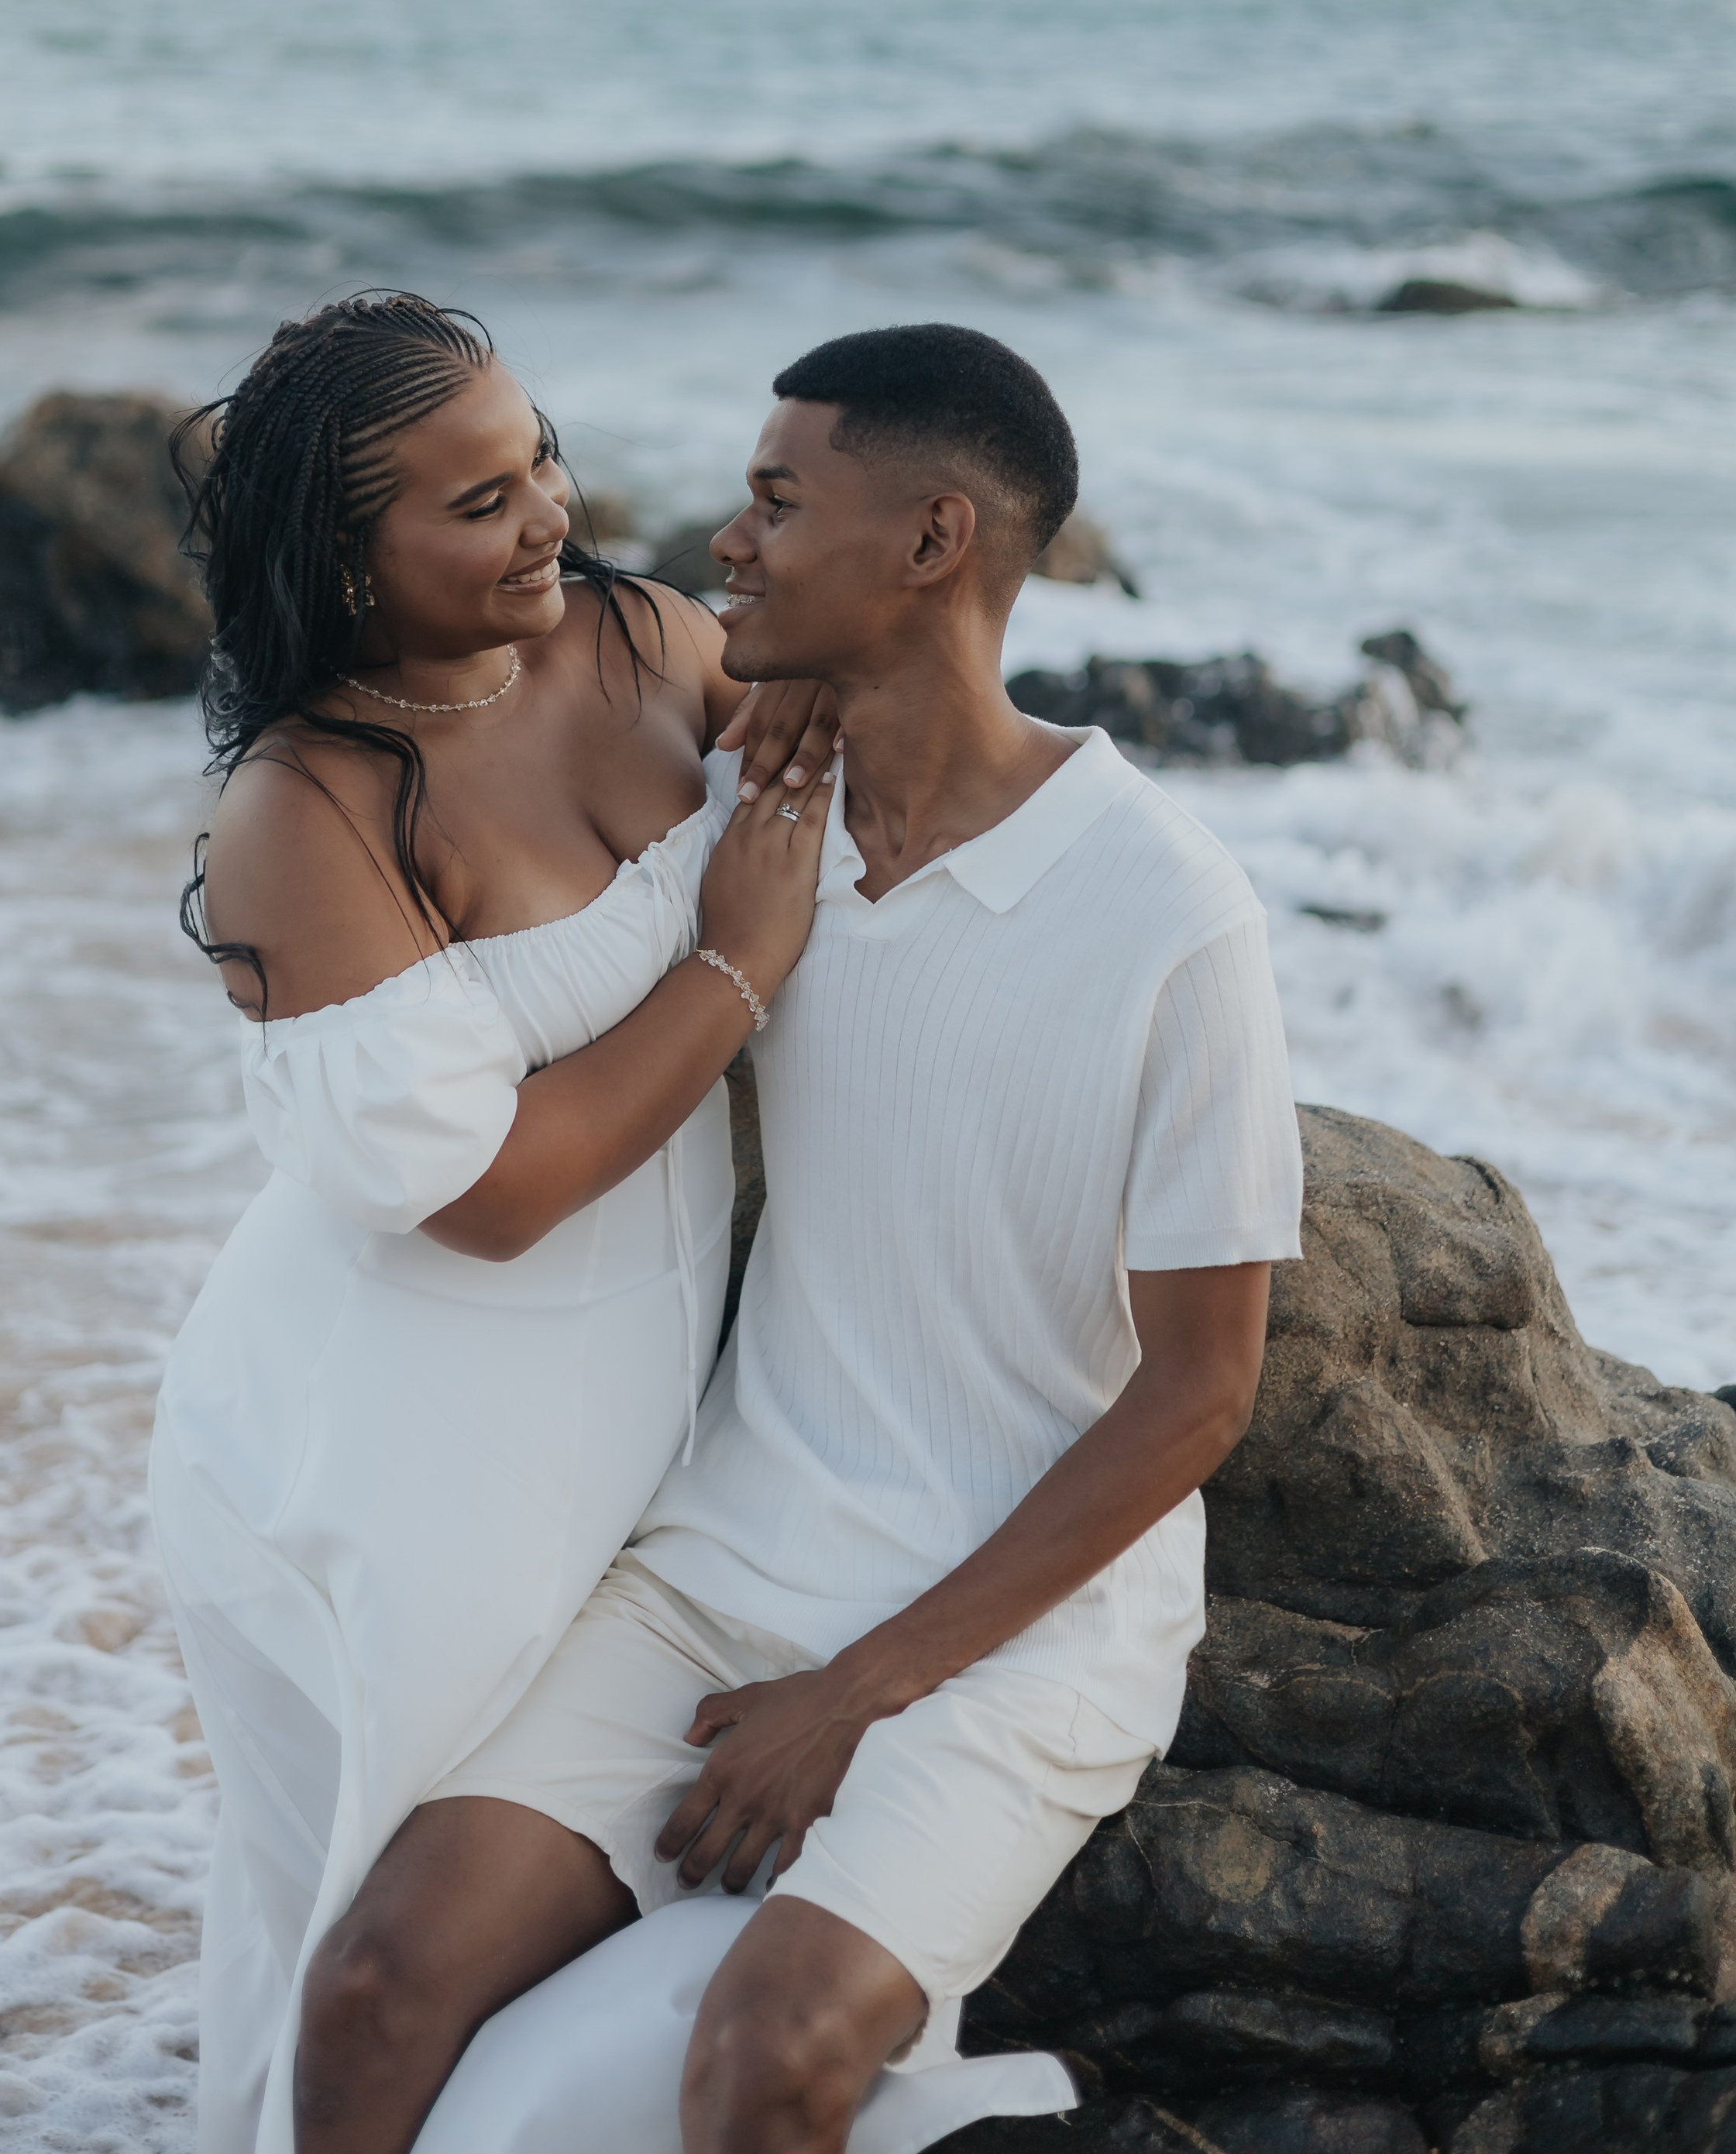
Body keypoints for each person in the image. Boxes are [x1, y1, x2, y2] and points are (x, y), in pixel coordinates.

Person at [294, 321, 1305, 2154]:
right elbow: (474, 740)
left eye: (773, 501)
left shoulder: (1169, 912)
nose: (725, 539)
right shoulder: (751, 814)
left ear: (929, 540)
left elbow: (1200, 1392)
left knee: (762, 2057)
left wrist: (854, 1692)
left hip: (1021, 1631)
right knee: (370, 1985)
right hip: (725, 1556)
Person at [148, 291, 838, 2154]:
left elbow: (837, 787)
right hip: (388, 1446)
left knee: (486, 1920)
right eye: (475, 504)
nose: (546, 515)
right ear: (343, 562)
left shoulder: (640, 636)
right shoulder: (307, 809)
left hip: (638, 1392)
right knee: (373, 1922)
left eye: (538, 459)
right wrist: (734, 966)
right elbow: (491, 1193)